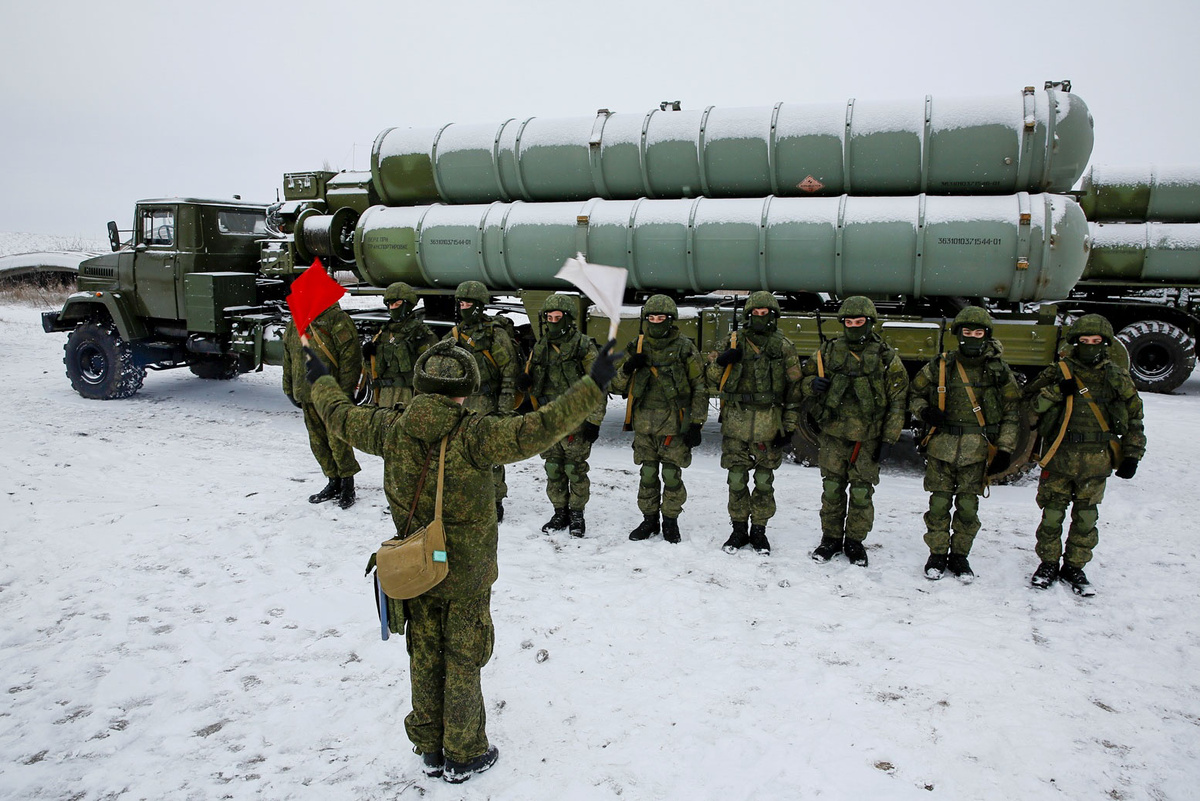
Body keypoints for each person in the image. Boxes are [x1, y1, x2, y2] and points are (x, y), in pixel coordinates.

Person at [304, 337, 618, 783]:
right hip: (466, 574)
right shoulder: (476, 434)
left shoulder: (389, 428)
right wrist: (592, 385)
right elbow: (540, 427)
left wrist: (320, 378)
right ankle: (464, 752)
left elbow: (338, 414)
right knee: (464, 659)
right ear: (465, 389)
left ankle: (429, 745)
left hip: (417, 568)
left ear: (419, 384)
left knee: (425, 653)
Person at [1025, 314, 1146, 595]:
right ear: (1075, 343)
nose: (1090, 346)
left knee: (1086, 519)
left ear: (1105, 344)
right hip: (1060, 457)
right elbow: (1028, 404)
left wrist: (1132, 455)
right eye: (1084, 341)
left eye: (1095, 341)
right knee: (1052, 516)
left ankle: (1075, 567)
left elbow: (1135, 417)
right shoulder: (1059, 371)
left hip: (1096, 460)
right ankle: (1048, 564)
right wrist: (1056, 391)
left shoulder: (1116, 376)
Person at [908, 306, 1021, 581]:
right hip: (942, 447)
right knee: (938, 504)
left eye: (978, 332)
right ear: (958, 335)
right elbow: (914, 394)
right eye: (967, 332)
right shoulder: (941, 365)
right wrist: (924, 411)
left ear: (986, 335)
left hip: (977, 449)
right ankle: (936, 554)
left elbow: (1012, 411)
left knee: (968, 508)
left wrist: (1005, 449)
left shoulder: (998, 371)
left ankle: (960, 557)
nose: (972, 337)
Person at [801, 296, 908, 566]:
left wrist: (889, 438)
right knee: (832, 490)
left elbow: (898, 400)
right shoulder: (827, 352)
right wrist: (811, 386)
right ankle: (831, 539)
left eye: (859, 322)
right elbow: (800, 383)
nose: (854, 326)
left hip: (867, 438)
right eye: (849, 322)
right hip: (834, 435)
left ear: (870, 323)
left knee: (861, 493)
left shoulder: (885, 356)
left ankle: (855, 542)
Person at [706, 291, 803, 555]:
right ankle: (738, 530)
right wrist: (723, 361)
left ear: (773, 316)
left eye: (765, 314)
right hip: (736, 422)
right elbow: (710, 377)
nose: (760, 318)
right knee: (736, 480)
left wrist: (790, 426)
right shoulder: (733, 340)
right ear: (748, 316)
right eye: (755, 314)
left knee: (763, 481)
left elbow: (795, 391)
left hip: (768, 424)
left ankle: (759, 531)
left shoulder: (783, 346)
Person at [609, 294, 708, 544]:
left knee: (672, 476)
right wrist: (629, 367)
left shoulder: (685, 347)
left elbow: (699, 387)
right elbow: (616, 383)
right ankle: (649, 520)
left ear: (670, 320)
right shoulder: (637, 346)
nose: (655, 322)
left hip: (674, 424)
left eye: (660, 318)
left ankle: (671, 521)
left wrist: (696, 423)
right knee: (648, 474)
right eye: (651, 318)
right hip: (644, 425)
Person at [516, 294, 607, 537]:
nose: (553, 321)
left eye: (558, 317)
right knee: (553, 467)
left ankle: (577, 514)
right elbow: (534, 380)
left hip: (575, 417)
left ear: (568, 319)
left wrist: (594, 421)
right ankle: (559, 512)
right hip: (548, 418)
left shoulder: (583, 346)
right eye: (549, 317)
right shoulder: (540, 346)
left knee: (575, 469)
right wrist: (525, 384)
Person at [442, 281, 519, 522]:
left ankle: (495, 500)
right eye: (461, 303)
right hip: (461, 403)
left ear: (478, 306)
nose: (463, 308)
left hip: (487, 402)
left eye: (468, 303)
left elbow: (509, 371)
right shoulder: (454, 335)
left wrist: (505, 409)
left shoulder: (495, 335)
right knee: (460, 453)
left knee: (490, 454)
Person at [282, 300, 362, 509]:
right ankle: (333, 480)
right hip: (306, 391)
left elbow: (350, 357)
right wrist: (289, 388)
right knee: (317, 441)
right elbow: (288, 356)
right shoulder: (296, 320)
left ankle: (347, 483)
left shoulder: (337, 319)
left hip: (331, 392)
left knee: (337, 439)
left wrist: (346, 390)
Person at [362, 282, 438, 409]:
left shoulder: (419, 333)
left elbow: (431, 370)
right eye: (390, 304)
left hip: (408, 397)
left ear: (407, 305)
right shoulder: (383, 333)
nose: (393, 308)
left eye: (397, 304)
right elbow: (373, 370)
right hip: (384, 397)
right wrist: (368, 356)